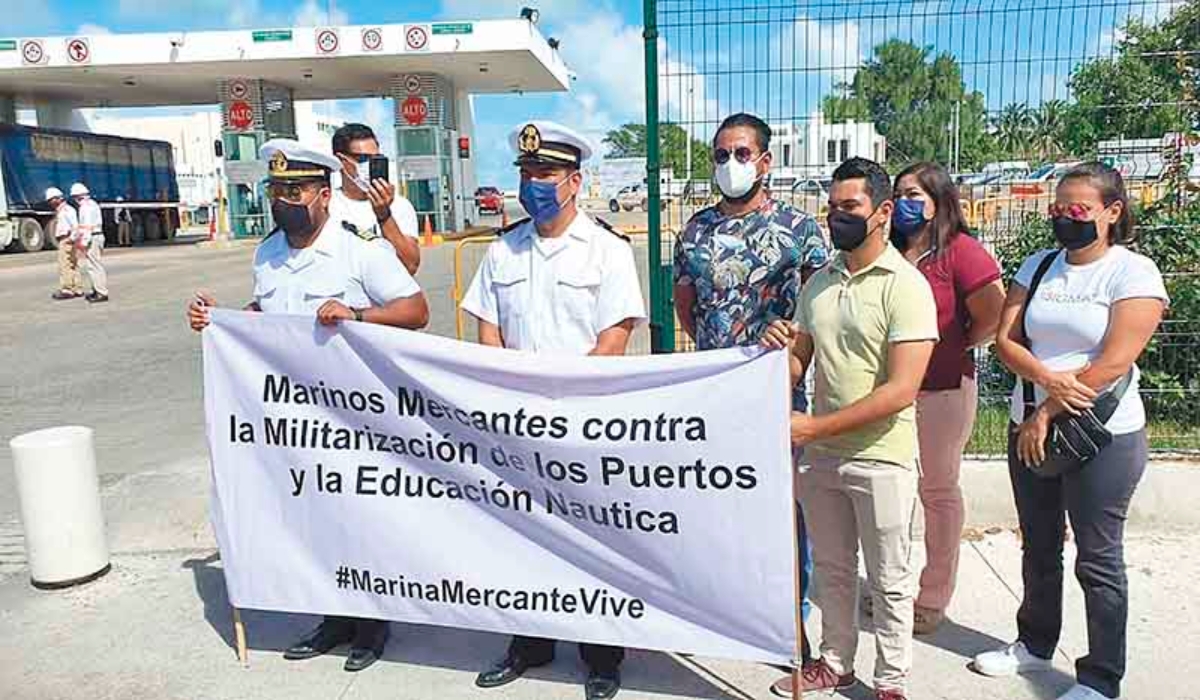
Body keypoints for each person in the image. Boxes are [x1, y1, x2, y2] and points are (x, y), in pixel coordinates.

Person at [186, 139, 429, 673]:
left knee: (361, 520)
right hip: (291, 423)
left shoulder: (359, 249)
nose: (283, 200)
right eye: (277, 191)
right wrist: (224, 320)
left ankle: (372, 624)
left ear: (323, 195)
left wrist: (357, 316)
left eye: (294, 191)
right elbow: (267, 312)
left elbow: (416, 309)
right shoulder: (268, 253)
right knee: (311, 519)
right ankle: (332, 619)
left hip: (353, 421)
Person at [461, 121, 645, 700]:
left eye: (544, 174)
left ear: (573, 181)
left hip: (582, 424)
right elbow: (486, 329)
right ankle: (529, 642)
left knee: (591, 540)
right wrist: (508, 396)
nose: (533, 184)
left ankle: (601, 654)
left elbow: (613, 339)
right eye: (526, 174)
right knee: (519, 536)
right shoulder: (502, 248)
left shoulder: (608, 250)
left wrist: (559, 403)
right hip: (514, 423)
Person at [973, 163, 1168, 700]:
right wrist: (1039, 380)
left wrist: (1045, 411)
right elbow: (1005, 341)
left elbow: (1113, 361)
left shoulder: (1133, 274)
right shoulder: (1038, 266)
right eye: (1058, 209)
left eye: (1078, 210)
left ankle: (1101, 678)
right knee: (1037, 545)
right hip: (1029, 424)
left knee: (1098, 558)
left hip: (1101, 436)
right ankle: (1034, 644)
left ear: (1113, 212)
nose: (1064, 218)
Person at [761, 157, 937, 700]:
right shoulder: (819, 283)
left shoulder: (906, 287)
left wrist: (815, 427)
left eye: (850, 207)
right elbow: (801, 362)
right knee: (833, 570)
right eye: (833, 207)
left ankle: (891, 682)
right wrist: (780, 350)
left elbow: (901, 389)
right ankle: (836, 664)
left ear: (883, 212)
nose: (836, 217)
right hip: (823, 456)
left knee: (888, 580)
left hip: (881, 456)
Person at [672, 111, 827, 674]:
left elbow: (816, 312)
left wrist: (784, 347)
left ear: (765, 161)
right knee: (715, 506)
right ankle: (722, 614)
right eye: (720, 155)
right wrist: (724, 351)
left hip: (775, 393)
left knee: (784, 513)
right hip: (714, 395)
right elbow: (686, 306)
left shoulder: (800, 228)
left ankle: (791, 622)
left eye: (741, 154)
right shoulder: (694, 229)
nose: (730, 165)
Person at [890, 162, 1005, 634]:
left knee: (937, 491)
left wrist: (953, 343)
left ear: (939, 201)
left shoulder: (961, 252)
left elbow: (993, 315)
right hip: (888, 391)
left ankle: (933, 594)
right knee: (887, 492)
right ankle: (891, 590)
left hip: (942, 389)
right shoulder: (887, 254)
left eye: (913, 194)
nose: (902, 203)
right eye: (897, 194)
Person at [329, 123, 421, 274]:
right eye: (362, 159)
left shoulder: (399, 205)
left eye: (375, 158)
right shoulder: (327, 205)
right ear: (341, 160)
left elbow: (410, 265)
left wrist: (384, 215)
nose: (369, 165)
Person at [72, 182, 108, 303]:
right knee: (95, 265)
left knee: (94, 266)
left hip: (92, 237)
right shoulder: (93, 204)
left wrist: (83, 242)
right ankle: (97, 289)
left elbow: (87, 226)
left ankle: (101, 292)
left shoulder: (85, 207)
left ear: (77, 196)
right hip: (97, 236)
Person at [47, 187, 83, 301]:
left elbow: (75, 226)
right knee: (72, 264)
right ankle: (77, 288)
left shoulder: (67, 210)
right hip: (67, 239)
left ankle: (67, 289)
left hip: (67, 239)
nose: (50, 203)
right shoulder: (62, 210)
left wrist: (71, 239)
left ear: (58, 198)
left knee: (65, 265)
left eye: (51, 200)